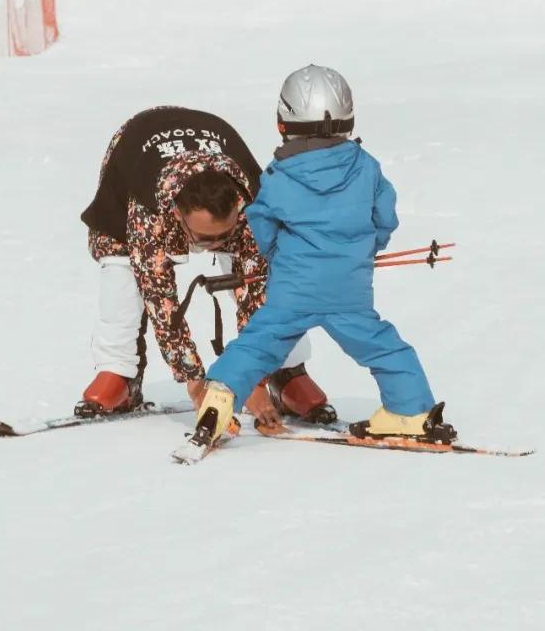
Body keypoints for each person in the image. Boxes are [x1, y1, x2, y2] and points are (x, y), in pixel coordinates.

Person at [193, 66, 453, 445]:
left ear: (283, 123)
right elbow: (385, 216)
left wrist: (279, 255)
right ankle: (410, 411)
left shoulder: (279, 177)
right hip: (350, 290)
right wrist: (364, 247)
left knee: (258, 343)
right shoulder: (367, 168)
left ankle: (218, 401)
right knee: (382, 345)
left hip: (292, 290)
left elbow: (261, 222)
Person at [78, 106, 334, 424]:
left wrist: (251, 378)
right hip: (136, 149)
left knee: (275, 282)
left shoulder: (255, 206)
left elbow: (257, 297)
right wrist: (195, 382)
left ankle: (286, 372)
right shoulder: (150, 212)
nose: (212, 246)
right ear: (177, 216)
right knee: (121, 269)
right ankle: (118, 371)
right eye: (203, 237)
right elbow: (162, 302)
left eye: (222, 236)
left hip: (215, 145)